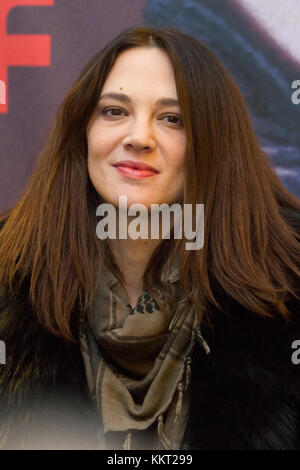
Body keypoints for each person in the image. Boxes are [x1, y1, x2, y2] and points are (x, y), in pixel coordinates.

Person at [0, 25, 300, 450]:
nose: (139, 138)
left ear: (214, 144)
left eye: (172, 118)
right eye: (115, 111)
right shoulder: (8, 272)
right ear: (81, 129)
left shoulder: (289, 285)